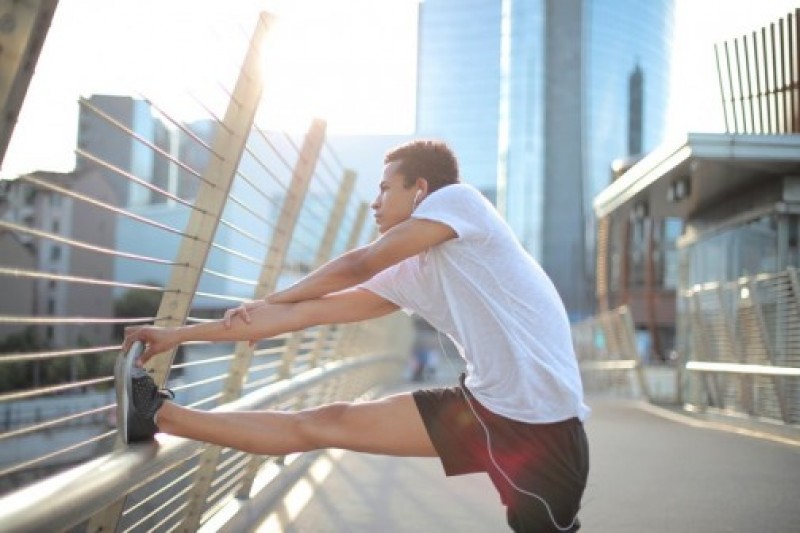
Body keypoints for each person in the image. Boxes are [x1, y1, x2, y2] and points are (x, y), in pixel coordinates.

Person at [119, 140, 590, 532]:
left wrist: (277, 298)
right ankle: (160, 415)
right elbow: (305, 316)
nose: (375, 201)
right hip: (482, 407)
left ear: (421, 191)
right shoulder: (414, 272)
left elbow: (358, 265)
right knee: (324, 422)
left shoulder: (458, 201)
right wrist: (176, 335)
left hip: (541, 427)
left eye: (386, 188)